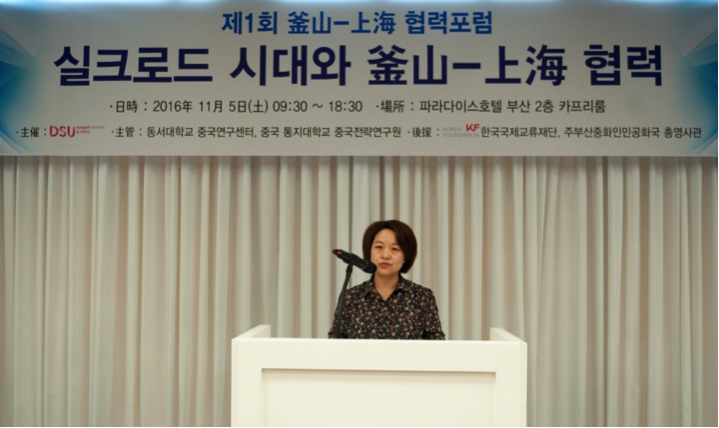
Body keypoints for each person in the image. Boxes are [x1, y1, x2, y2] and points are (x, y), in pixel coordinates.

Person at [329, 220, 445, 340]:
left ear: (406, 255)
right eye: (379, 247)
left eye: (394, 249)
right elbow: (334, 344)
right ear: (369, 251)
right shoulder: (351, 297)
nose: (385, 255)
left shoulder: (422, 297)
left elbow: (437, 345)